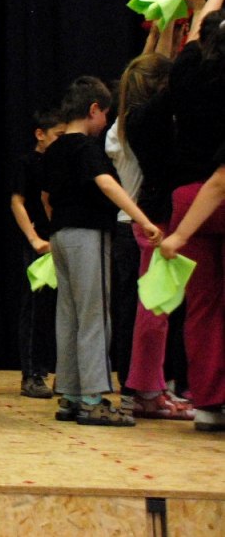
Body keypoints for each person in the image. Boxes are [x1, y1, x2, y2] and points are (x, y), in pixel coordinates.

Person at [41, 76, 162, 427]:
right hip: (86, 234)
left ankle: (70, 394)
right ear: (94, 109)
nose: (106, 122)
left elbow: (46, 197)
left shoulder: (55, 148)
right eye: (105, 114)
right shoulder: (86, 147)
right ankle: (93, 399)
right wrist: (144, 220)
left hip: (60, 236)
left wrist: (58, 225)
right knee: (95, 315)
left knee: (69, 315)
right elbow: (106, 183)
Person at [111, 54, 193, 420]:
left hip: (155, 213)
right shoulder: (146, 118)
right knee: (154, 309)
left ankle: (151, 387)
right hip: (156, 217)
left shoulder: (136, 117)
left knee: (158, 308)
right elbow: (182, 71)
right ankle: (145, 390)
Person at [161, 0, 225, 431]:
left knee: (202, 307)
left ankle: (207, 401)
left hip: (188, 199)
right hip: (216, 189)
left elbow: (193, 42)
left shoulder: (187, 73)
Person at [9, 109, 64, 399]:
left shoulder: (61, 162)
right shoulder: (28, 163)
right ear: (40, 134)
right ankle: (31, 374)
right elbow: (17, 202)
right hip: (39, 243)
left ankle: (56, 372)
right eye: (58, 135)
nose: (62, 141)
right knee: (34, 307)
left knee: (57, 309)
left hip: (59, 240)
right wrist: (34, 238)